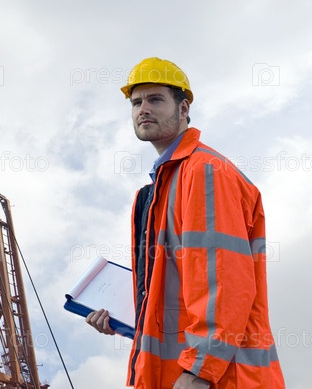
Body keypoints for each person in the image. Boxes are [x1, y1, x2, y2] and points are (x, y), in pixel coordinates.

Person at [85, 57, 285, 388]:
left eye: (155, 99)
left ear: (183, 108)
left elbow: (224, 280)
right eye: (136, 102)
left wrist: (200, 369)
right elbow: (174, 298)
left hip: (217, 378)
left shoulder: (204, 171)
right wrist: (124, 319)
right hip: (179, 375)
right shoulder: (158, 190)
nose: (143, 109)